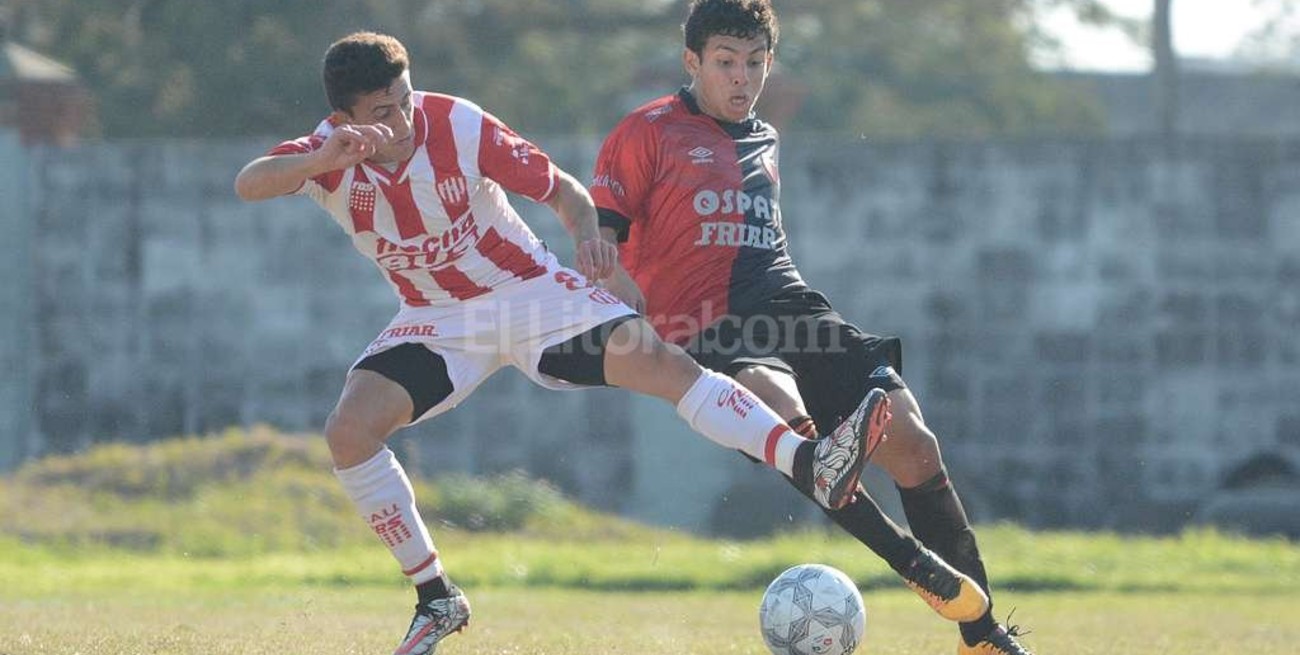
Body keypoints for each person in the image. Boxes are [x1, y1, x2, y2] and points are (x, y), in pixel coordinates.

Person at [234, 31, 888, 655]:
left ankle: (809, 462)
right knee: (348, 431)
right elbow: (250, 182)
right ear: (344, 115)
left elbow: (564, 191)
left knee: (663, 364)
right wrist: (320, 160)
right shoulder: (327, 155)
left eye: (405, 98)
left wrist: (587, 239)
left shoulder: (457, 124)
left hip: (532, 294)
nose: (403, 119)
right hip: (438, 318)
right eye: (383, 110)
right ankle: (436, 596)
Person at [590, 2, 1033, 654]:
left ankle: (981, 637)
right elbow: (605, 229)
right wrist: (611, 274)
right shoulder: (647, 130)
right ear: (692, 61)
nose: (742, 77)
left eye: (755, 63)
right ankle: (910, 561)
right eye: (725, 63)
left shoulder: (764, 135)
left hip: (793, 309)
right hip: (704, 327)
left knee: (914, 444)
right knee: (790, 424)